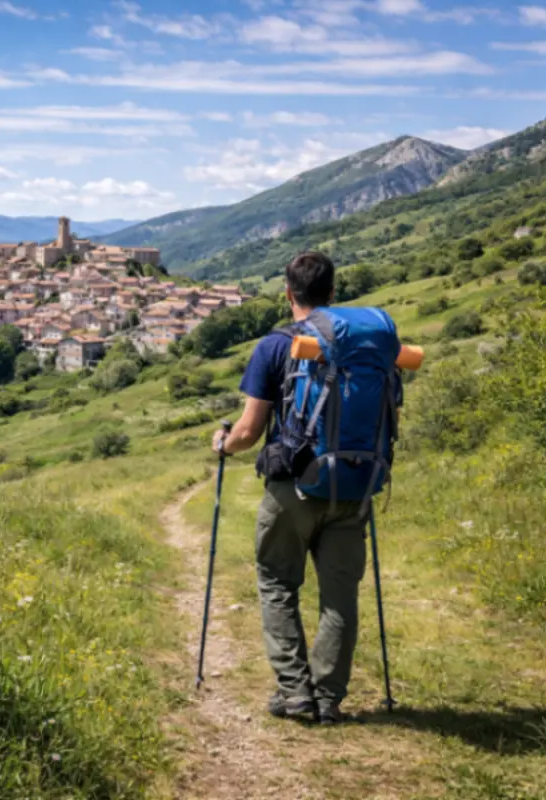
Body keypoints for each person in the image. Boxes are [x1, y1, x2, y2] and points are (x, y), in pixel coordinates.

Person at [212, 251, 396, 726]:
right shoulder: (367, 345)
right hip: (355, 485)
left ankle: (295, 693)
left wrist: (223, 445)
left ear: (288, 293)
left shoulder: (275, 347)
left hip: (294, 486)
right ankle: (329, 696)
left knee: (277, 582)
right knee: (340, 596)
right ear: (333, 293)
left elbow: (250, 431)